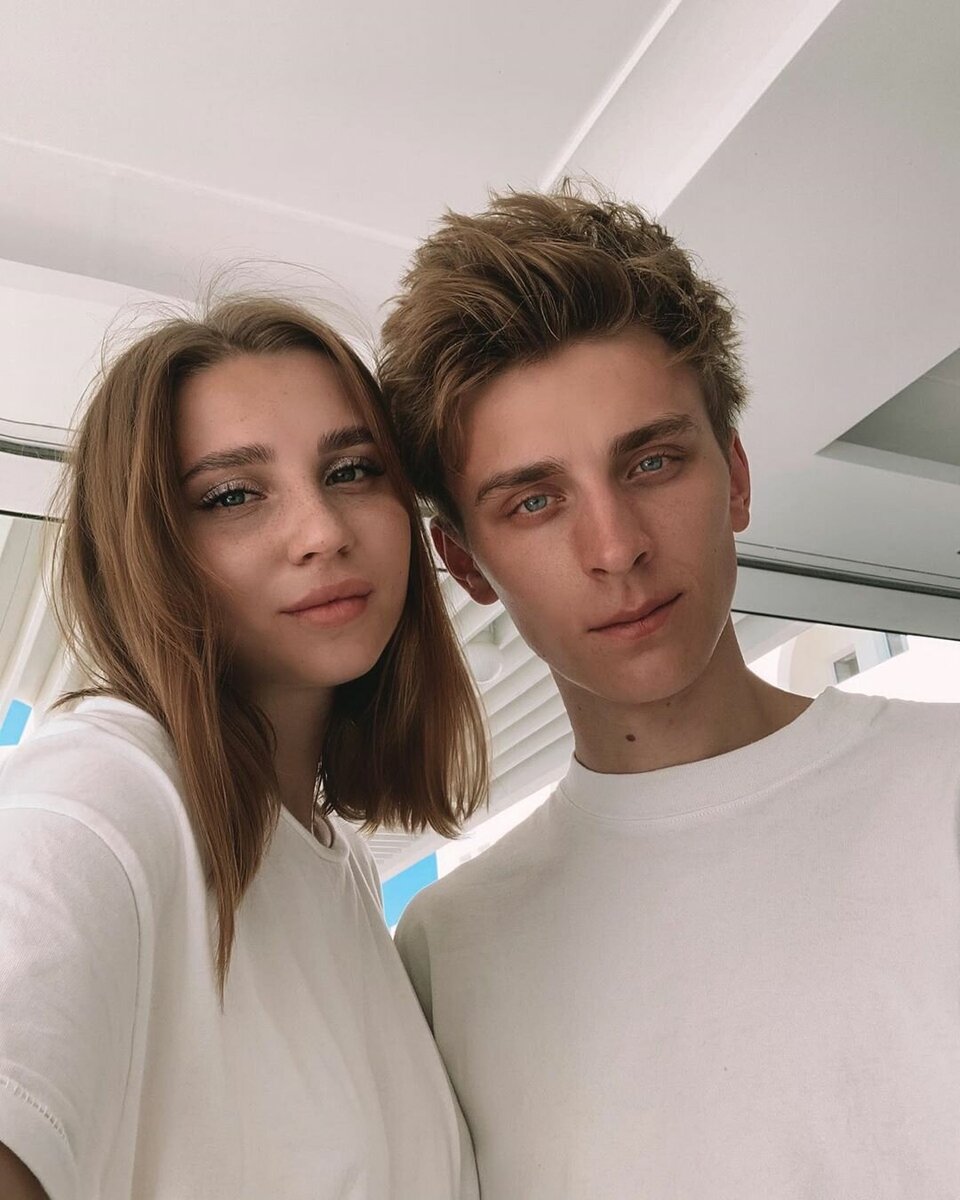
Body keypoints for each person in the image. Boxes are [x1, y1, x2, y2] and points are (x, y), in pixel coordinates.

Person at [378, 188, 960, 1199]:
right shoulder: (448, 954)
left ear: (735, 475)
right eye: (534, 500)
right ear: (466, 564)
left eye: (651, 461)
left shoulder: (943, 786)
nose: (616, 547)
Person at [0, 295, 486, 1200]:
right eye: (231, 496)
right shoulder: (107, 793)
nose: (324, 532)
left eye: (352, 470)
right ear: (147, 549)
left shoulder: (339, 867)